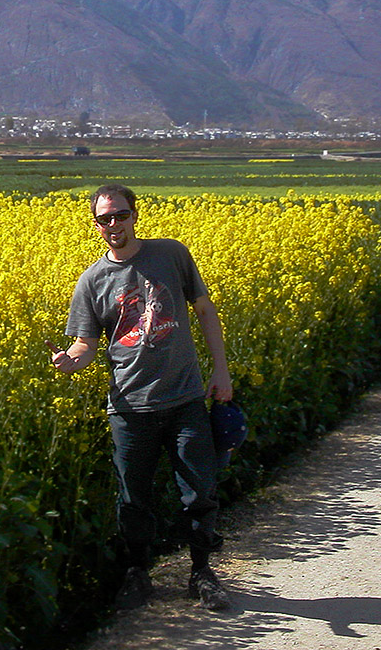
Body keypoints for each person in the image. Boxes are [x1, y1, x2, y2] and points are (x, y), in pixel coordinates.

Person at [48, 183, 234, 612]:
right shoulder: (92, 281)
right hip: (130, 406)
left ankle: (202, 573)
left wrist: (221, 371)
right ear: (95, 225)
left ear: (135, 215)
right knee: (133, 498)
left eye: (120, 215)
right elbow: (86, 344)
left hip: (185, 397)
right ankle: (138, 573)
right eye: (104, 218)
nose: (114, 224)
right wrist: (70, 362)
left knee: (200, 490)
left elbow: (205, 311)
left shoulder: (171, 255)